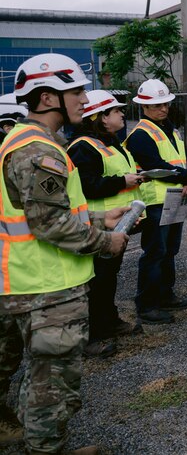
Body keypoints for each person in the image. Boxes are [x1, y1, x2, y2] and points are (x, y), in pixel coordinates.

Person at [0, 54, 127, 455]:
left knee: (26, 373)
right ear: (46, 98)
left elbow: (46, 211)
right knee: (51, 384)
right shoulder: (40, 151)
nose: (84, 100)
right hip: (46, 287)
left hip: (23, 282)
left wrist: (100, 215)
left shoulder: (26, 142)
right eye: (76, 91)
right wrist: (107, 242)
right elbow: (49, 225)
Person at [68, 90, 146, 357]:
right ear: (100, 117)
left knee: (108, 278)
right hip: (97, 226)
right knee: (97, 281)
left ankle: (109, 322)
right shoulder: (82, 147)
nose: (122, 114)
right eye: (115, 111)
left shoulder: (111, 143)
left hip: (116, 225)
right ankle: (93, 333)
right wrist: (122, 181)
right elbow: (86, 185)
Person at [123, 79, 187, 325]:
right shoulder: (140, 135)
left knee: (170, 250)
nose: (163, 109)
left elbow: (186, 157)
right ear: (144, 107)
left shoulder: (171, 129)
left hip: (176, 197)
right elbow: (155, 165)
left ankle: (166, 295)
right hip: (156, 200)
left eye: (165, 104)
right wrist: (186, 175)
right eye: (156, 106)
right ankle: (146, 305)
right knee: (155, 251)